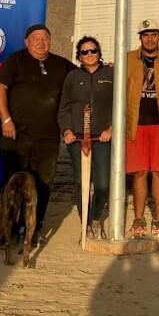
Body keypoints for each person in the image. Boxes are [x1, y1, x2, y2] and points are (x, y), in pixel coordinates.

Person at [0, 24, 74, 246]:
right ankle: (5, 230)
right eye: (36, 38)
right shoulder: (15, 61)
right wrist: (6, 119)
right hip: (15, 135)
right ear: (27, 41)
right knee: (11, 185)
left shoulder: (62, 65)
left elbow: (83, 80)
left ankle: (33, 228)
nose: (41, 42)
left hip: (48, 139)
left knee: (43, 185)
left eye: (45, 38)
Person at [125, 20, 159, 240]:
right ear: (140, 37)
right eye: (145, 35)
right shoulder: (127, 59)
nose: (149, 39)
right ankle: (138, 219)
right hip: (135, 125)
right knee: (139, 172)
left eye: (153, 34)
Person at [58, 36, 113, 239]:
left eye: (93, 51)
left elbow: (121, 105)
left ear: (99, 53)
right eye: (84, 52)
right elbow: (63, 107)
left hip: (102, 138)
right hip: (78, 139)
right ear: (79, 56)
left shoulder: (111, 74)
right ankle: (86, 224)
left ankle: (96, 217)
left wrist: (112, 128)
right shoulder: (72, 77)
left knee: (102, 184)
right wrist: (67, 131)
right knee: (82, 183)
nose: (89, 55)